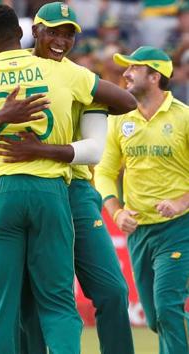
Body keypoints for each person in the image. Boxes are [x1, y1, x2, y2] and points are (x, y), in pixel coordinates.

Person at [0, 4, 133, 353]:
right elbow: (125, 101)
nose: (61, 40)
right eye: (54, 32)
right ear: (29, 33)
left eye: (68, 33)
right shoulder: (61, 74)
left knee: (2, 303)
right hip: (52, 190)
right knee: (54, 301)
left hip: (8, 191)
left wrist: (3, 119)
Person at [95, 46, 189, 354]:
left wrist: (181, 202)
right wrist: (116, 210)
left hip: (179, 229)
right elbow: (105, 173)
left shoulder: (184, 118)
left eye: (133, 68)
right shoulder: (120, 121)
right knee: (154, 318)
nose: (125, 73)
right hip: (139, 232)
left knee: (166, 306)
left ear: (155, 76)